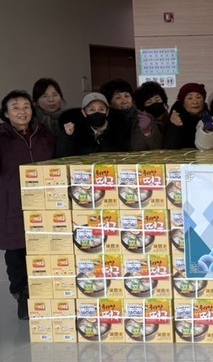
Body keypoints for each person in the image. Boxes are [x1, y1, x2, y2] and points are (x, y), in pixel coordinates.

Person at [0, 90, 56, 319]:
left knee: (43, 250)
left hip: (45, 203)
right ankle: (21, 294)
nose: (22, 111)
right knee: (16, 252)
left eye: (26, 107)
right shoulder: (1, 138)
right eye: (15, 107)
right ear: (6, 113)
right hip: (11, 202)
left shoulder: (45, 134)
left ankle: (45, 296)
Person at [56, 92, 133, 156]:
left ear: (107, 112)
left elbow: (127, 154)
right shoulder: (76, 131)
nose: (97, 113)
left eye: (101, 109)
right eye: (92, 109)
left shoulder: (118, 130)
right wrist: (67, 136)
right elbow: (61, 156)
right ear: (84, 112)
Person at [163, 83, 209, 149]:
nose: (195, 102)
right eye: (190, 98)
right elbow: (170, 147)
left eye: (198, 97)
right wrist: (174, 127)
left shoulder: (209, 116)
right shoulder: (176, 117)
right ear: (183, 103)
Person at [133, 81, 169, 149]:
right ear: (142, 107)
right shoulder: (140, 123)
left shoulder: (169, 119)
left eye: (157, 100)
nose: (154, 103)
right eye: (149, 102)